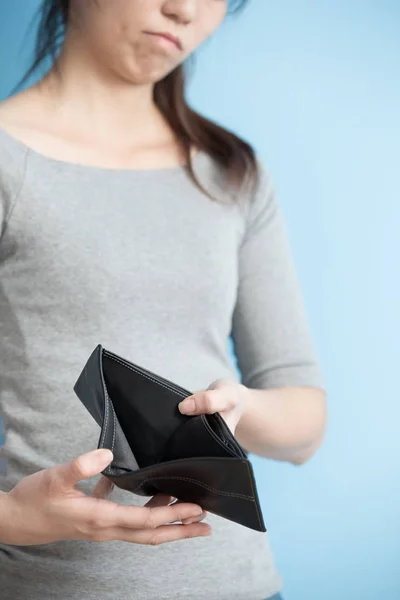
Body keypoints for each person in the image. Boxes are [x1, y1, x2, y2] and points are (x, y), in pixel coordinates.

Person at [0, 1, 327, 599]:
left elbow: (305, 426)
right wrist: (16, 518)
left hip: (242, 587)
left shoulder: (233, 173)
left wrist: (240, 413)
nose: (184, 9)